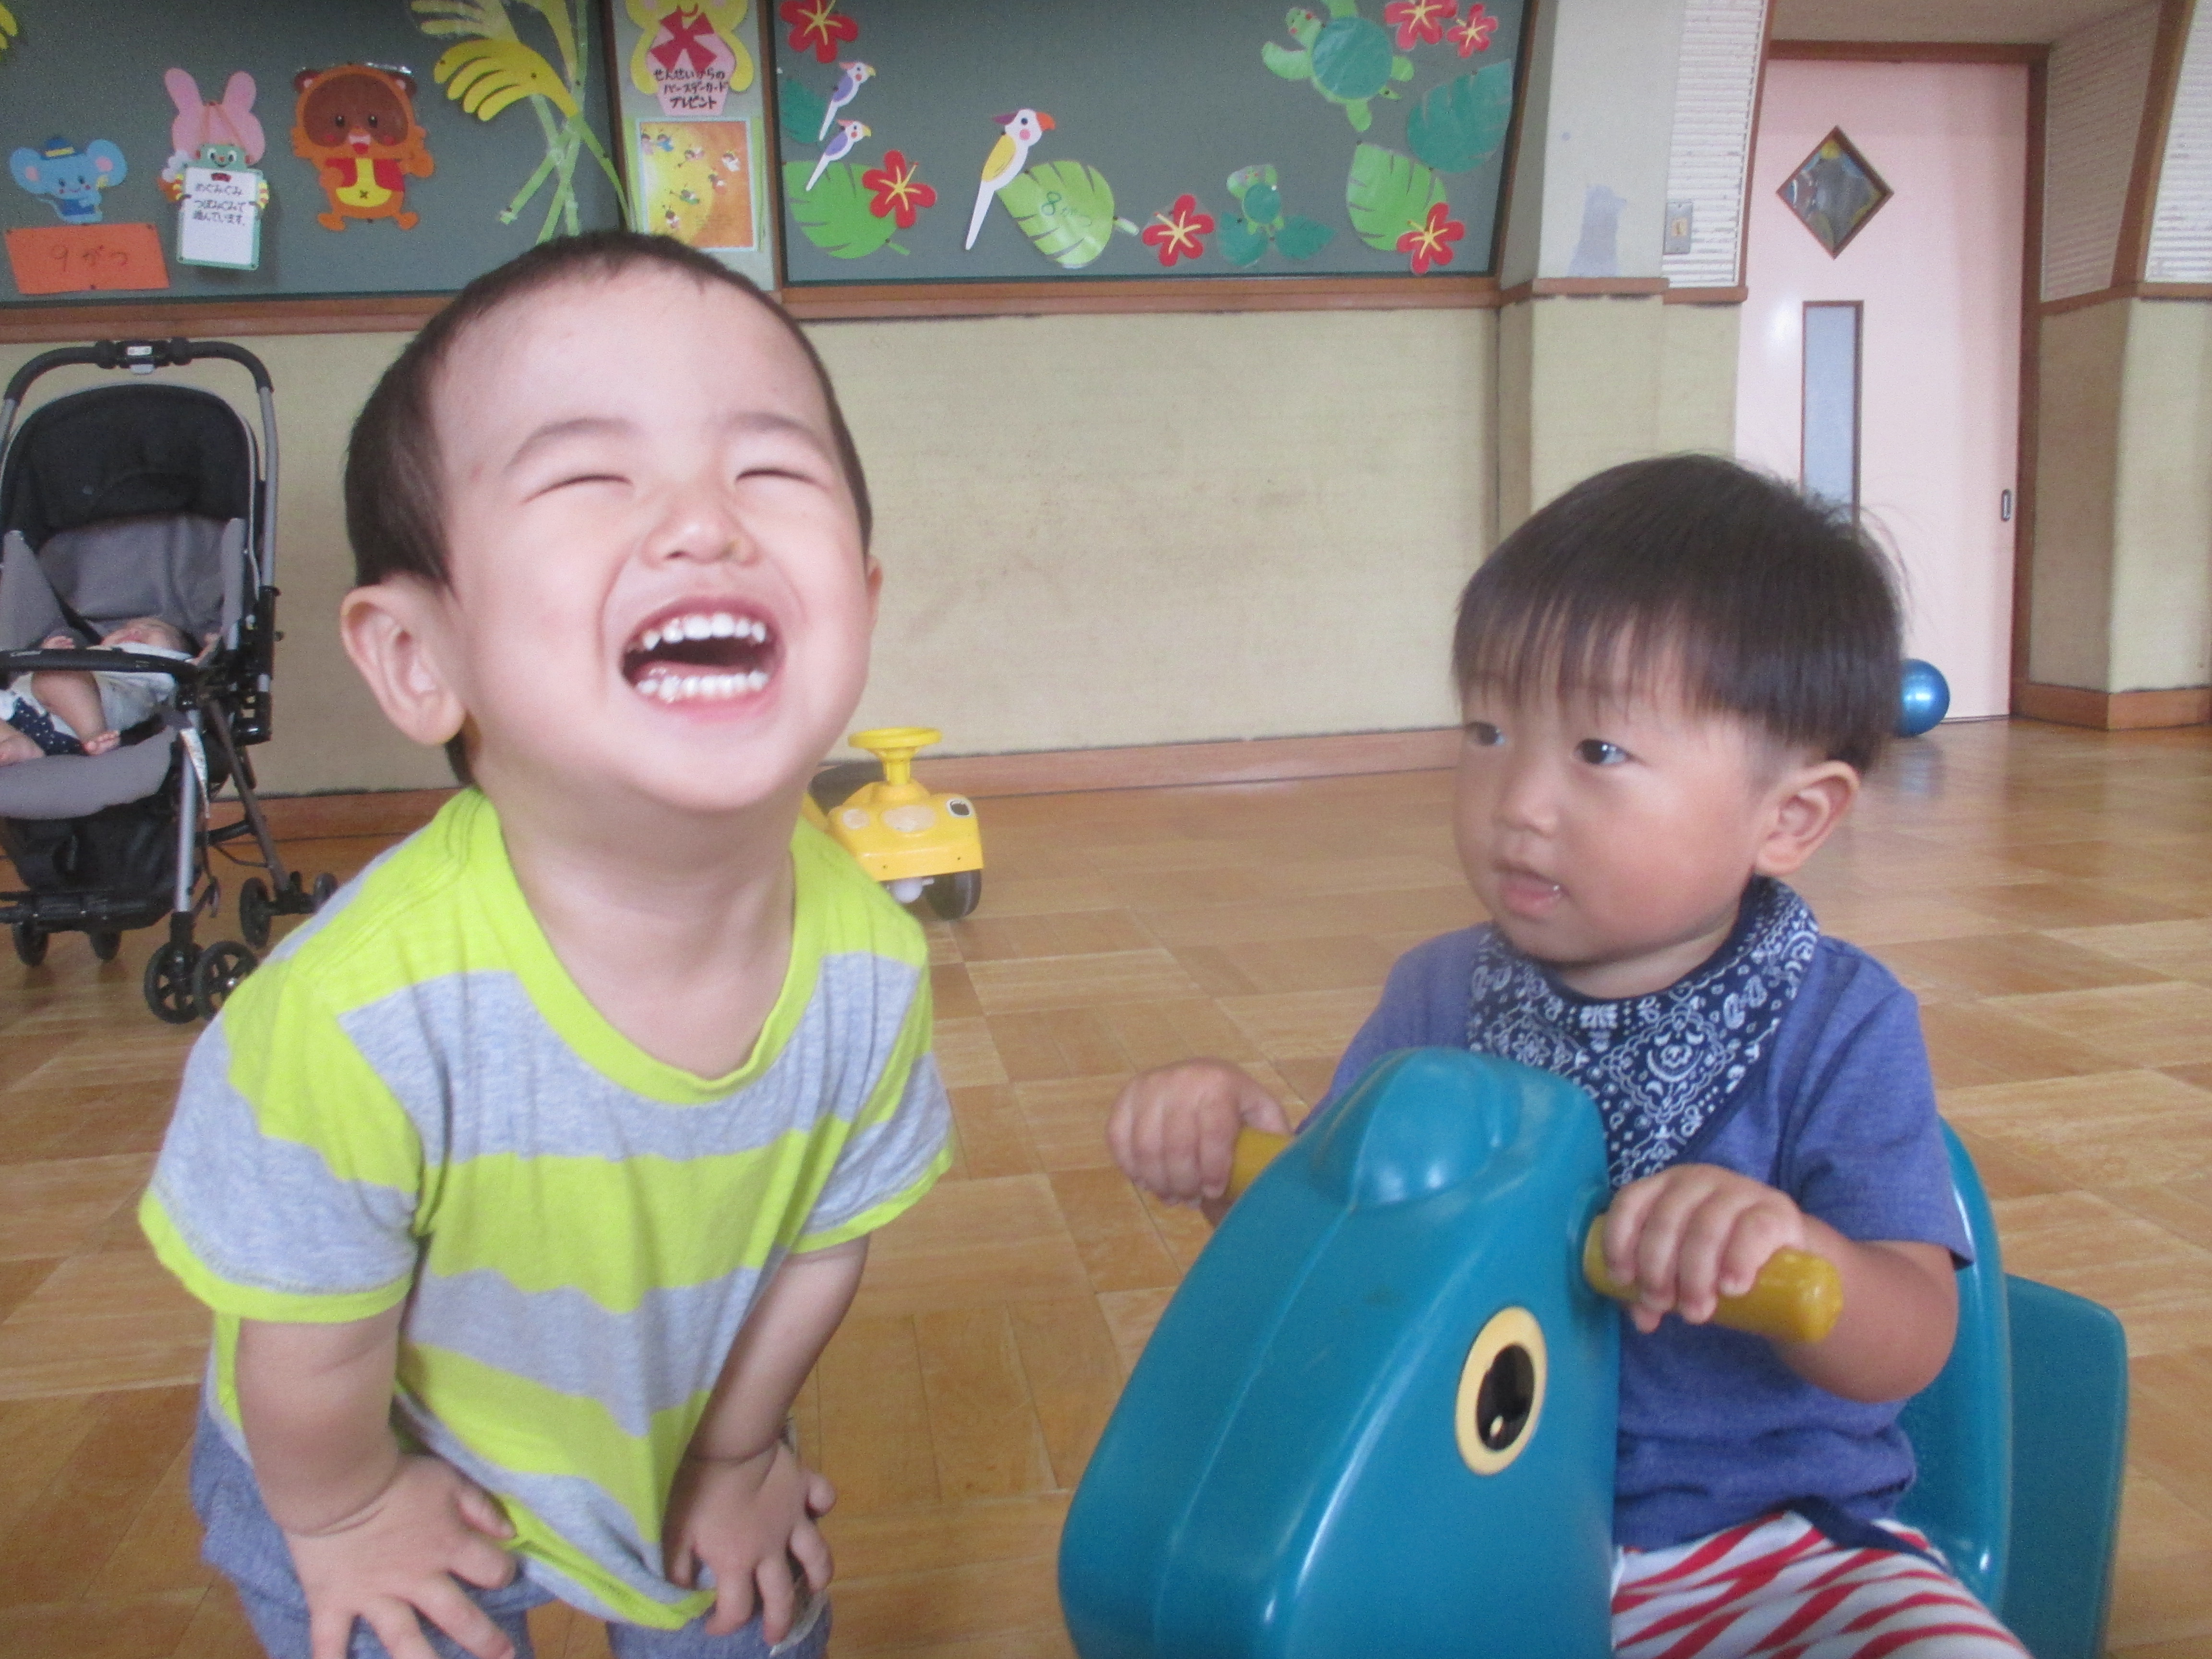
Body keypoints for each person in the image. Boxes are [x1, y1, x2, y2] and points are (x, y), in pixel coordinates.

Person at [139, 231, 950, 1659]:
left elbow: (824, 1243)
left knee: (759, 1613)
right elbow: (309, 1335)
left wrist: (737, 1452)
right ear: (419, 657)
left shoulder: (872, 967)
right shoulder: (360, 1014)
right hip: (360, 1453)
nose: (705, 524)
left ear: (863, 604)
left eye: (770, 469)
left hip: (672, 1417)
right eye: (587, 479)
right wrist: (342, 1512)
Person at [1108, 455, 2026, 1657]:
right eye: (1488, 730)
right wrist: (1237, 1152)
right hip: (1462, 1525)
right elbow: (1348, 1265)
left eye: (1598, 751)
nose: (1518, 801)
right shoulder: (1437, 995)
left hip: (1766, 1545)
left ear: (1789, 817)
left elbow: (1912, 1335)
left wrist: (1798, 1255)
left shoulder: (1841, 1021)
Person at [0, 615, 195, 764]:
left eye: (153, 628)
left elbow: (204, 663)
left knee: (57, 675)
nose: (135, 630)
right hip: (14, 711)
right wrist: (45, 655)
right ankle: (16, 743)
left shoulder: (172, 663)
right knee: (55, 670)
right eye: (123, 629)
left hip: (84, 716)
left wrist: (211, 647)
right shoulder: (93, 651)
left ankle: (94, 735)